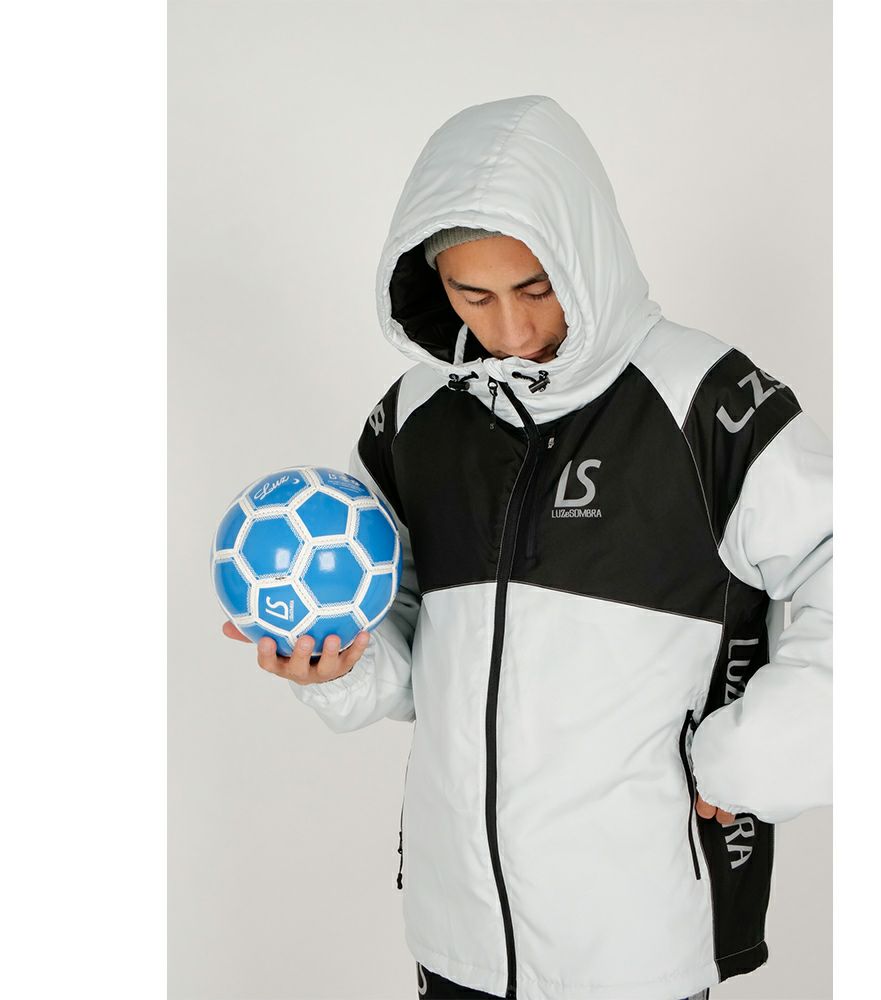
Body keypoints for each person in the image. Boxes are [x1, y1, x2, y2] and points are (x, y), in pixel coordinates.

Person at [223, 95, 832, 1000]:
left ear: (585, 255)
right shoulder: (415, 419)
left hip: (636, 941)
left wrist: (763, 756)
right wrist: (339, 668)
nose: (509, 331)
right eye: (473, 296)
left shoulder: (703, 400)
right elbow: (408, 647)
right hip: (457, 934)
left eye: (536, 288)